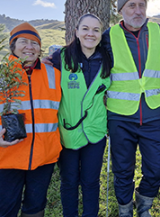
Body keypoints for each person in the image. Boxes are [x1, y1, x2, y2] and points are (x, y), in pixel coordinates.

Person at [0, 22, 62, 217]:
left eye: (35, 43)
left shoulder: (55, 75)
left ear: (40, 48)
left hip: (43, 158)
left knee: (35, 209)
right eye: (24, 42)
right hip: (7, 158)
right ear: (13, 46)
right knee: (4, 210)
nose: (30, 47)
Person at [101, 0, 160, 217]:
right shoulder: (108, 36)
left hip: (152, 115)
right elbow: (86, 57)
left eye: (142, 5)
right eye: (132, 5)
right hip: (120, 117)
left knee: (156, 168)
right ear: (121, 10)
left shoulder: (159, 32)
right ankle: (124, 209)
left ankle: (144, 205)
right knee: (123, 169)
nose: (138, 10)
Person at [49, 13, 111, 216]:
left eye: (95, 30)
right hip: (68, 133)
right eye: (85, 29)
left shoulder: (108, 60)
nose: (90, 34)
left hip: (96, 132)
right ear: (76, 32)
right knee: (69, 181)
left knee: (91, 182)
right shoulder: (60, 57)